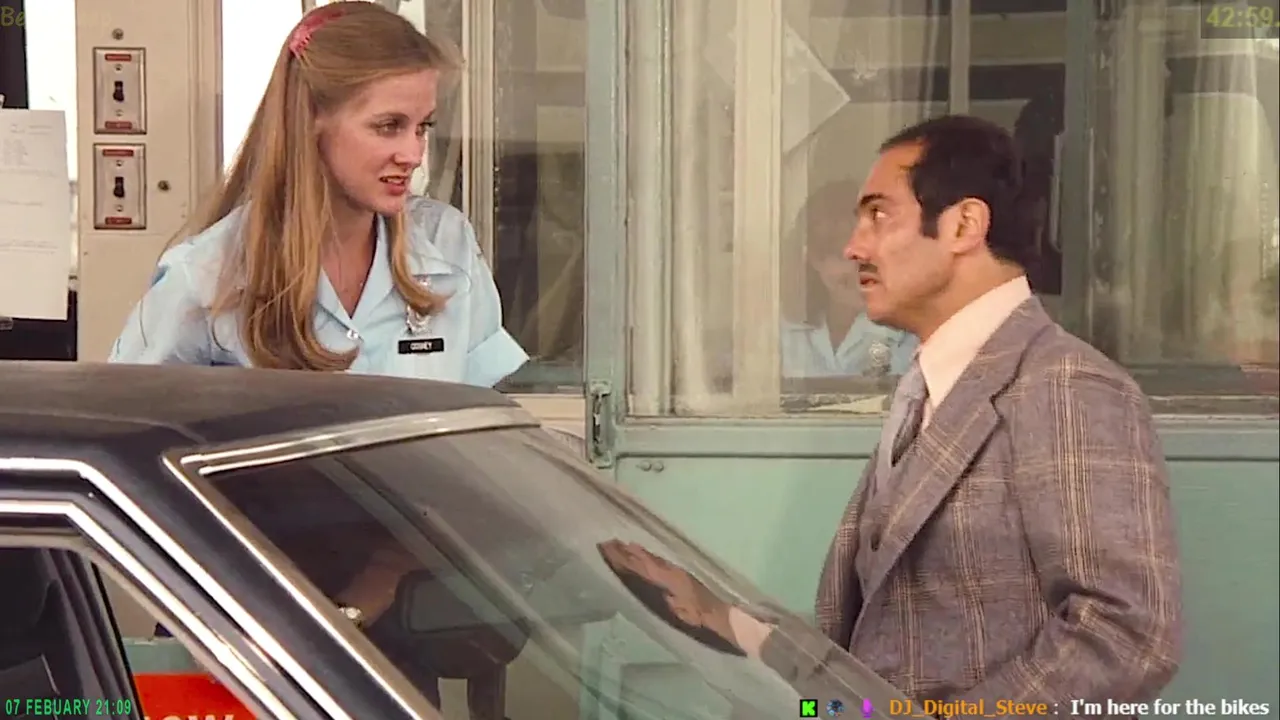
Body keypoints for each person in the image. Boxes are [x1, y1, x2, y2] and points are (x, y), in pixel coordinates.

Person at [634, 115, 1185, 715]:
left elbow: (1126, 636)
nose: (854, 247)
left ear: (964, 225)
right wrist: (724, 620)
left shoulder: (1066, 384)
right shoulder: (929, 385)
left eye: (879, 214)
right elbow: (880, 643)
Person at [109, 1, 527, 390]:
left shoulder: (448, 244)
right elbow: (130, 419)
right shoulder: (207, 276)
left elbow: (485, 419)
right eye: (388, 126)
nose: (413, 154)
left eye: (423, 128)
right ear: (310, 117)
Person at [781, 180, 917, 379]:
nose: (857, 271)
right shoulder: (782, 339)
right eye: (840, 254)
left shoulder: (910, 338)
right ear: (814, 259)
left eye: (869, 255)